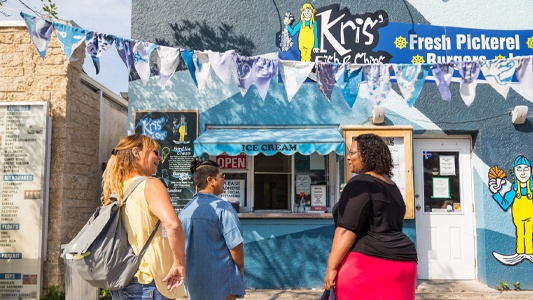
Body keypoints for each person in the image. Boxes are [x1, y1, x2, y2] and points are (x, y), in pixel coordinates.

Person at [324, 133, 418, 299]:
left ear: (368, 155)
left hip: (370, 264)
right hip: (405, 264)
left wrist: (331, 267)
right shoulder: (391, 186)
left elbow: (346, 231)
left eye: (352, 153)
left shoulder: (360, 182)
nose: (348, 157)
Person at [102, 134, 186, 300]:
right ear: (137, 152)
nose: (159, 157)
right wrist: (179, 264)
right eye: (154, 152)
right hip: (150, 283)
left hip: (123, 280)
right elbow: (173, 225)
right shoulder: (150, 185)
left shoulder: (117, 189)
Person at [179, 159, 245, 300]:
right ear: (211, 180)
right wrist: (240, 268)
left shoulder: (186, 210)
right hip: (221, 284)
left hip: (194, 285)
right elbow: (236, 246)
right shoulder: (222, 207)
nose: (224, 180)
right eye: (222, 176)